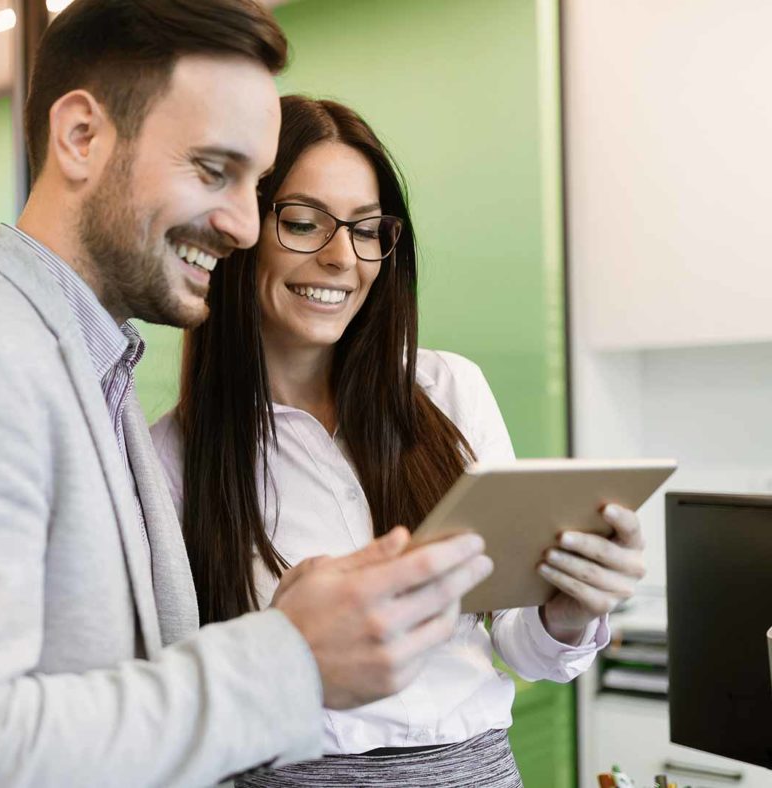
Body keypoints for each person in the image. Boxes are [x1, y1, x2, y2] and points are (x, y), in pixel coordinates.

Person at [0, 4, 493, 785]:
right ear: (81, 137)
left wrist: (287, 633)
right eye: (214, 170)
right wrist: (288, 658)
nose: (244, 226)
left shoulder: (91, 376)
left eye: (254, 183)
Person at [151, 96, 647, 786]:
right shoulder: (170, 460)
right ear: (240, 229)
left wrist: (567, 613)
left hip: (478, 769)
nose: (339, 258)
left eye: (366, 230)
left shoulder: (448, 392)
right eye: (301, 222)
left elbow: (522, 650)